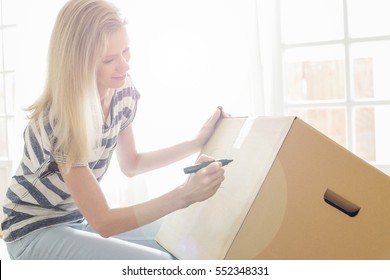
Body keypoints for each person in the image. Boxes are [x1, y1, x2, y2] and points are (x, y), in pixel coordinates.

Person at [1, 0, 228, 260]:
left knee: (179, 242)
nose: (124, 66)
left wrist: (196, 142)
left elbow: (132, 164)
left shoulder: (122, 91)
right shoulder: (60, 120)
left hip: (73, 221)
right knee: (161, 263)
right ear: (78, 63)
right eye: (109, 59)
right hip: (29, 231)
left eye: (126, 50)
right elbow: (104, 223)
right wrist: (184, 195)